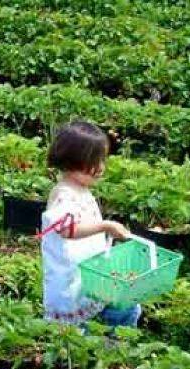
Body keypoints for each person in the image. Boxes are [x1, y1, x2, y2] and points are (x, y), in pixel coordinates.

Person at [39, 121, 141, 327]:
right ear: (75, 161)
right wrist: (105, 226)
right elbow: (67, 229)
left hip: (88, 268)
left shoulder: (80, 189)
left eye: (102, 160)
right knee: (74, 327)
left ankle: (113, 344)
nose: (101, 168)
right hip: (70, 274)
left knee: (125, 305)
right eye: (96, 161)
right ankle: (80, 351)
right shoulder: (64, 195)